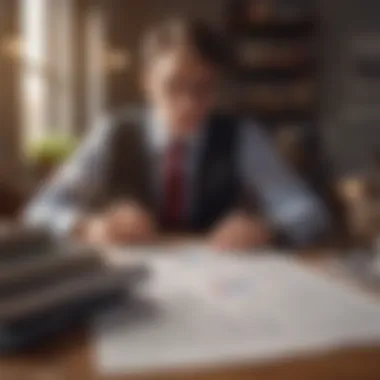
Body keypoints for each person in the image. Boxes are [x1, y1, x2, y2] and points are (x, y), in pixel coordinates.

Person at [24, 18, 329, 250]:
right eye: (173, 85)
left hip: (221, 285)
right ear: (146, 82)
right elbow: (39, 210)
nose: (189, 104)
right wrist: (87, 227)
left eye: (204, 88)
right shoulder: (112, 132)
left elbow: (309, 211)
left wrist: (267, 227)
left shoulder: (242, 136)